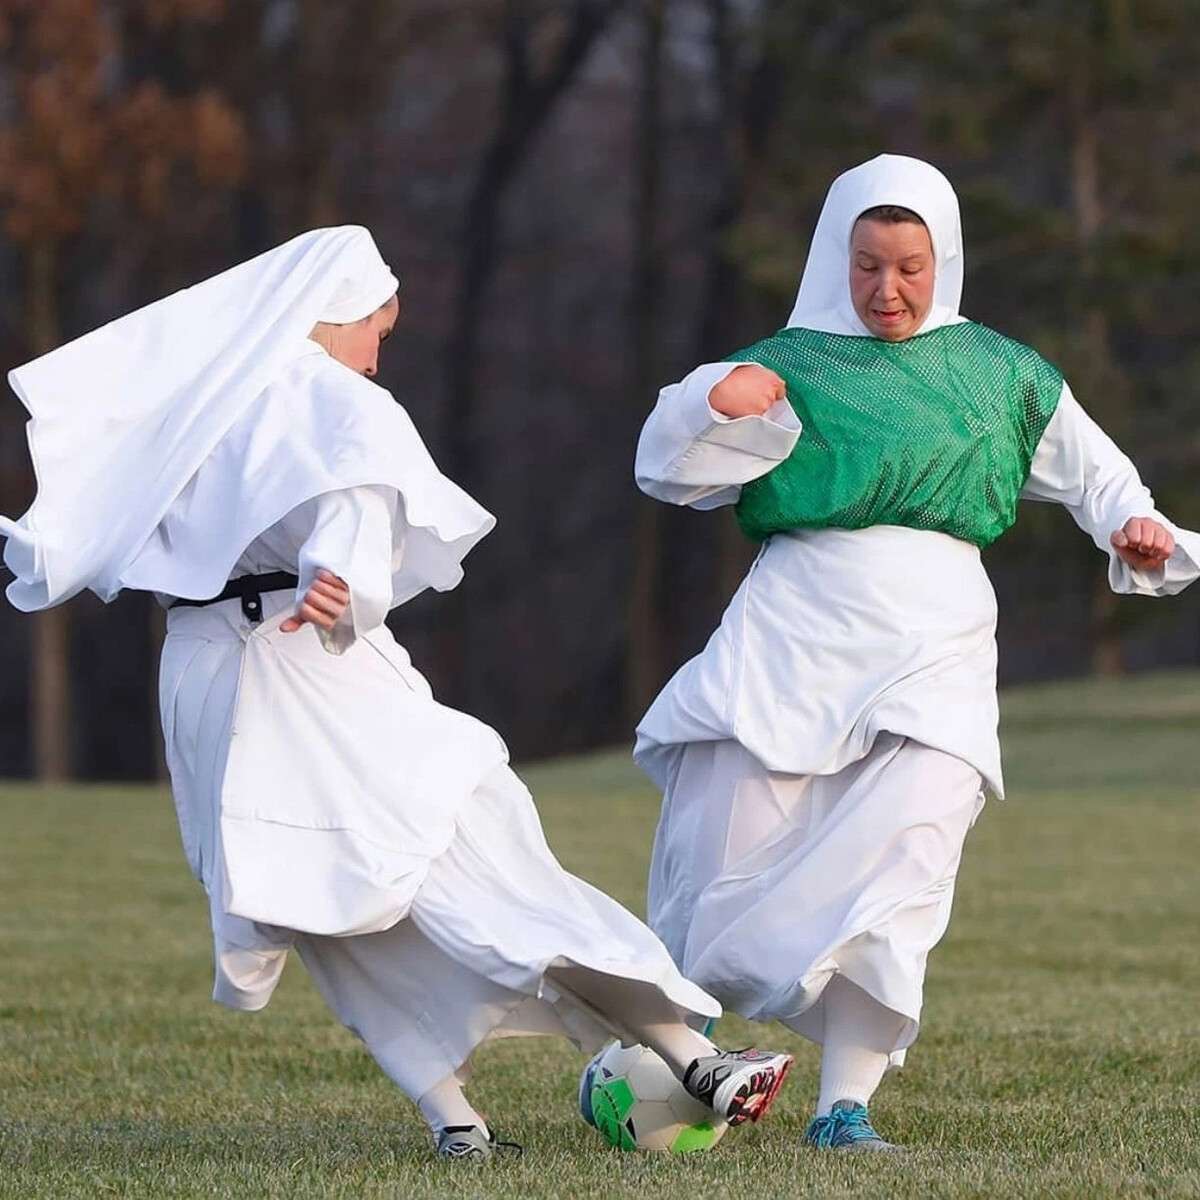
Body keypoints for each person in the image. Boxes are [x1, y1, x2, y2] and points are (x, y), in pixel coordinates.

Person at [0, 226, 793, 1160]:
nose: (380, 353)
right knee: (481, 862)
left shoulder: (200, 396)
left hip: (207, 672)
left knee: (328, 913)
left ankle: (459, 1123)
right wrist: (340, 584)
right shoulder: (333, 398)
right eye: (380, 327)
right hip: (310, 671)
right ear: (336, 315)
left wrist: (334, 582)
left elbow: (110, 520)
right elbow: (354, 505)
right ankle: (691, 1062)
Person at [632, 154, 1200, 1151]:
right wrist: (711, 400)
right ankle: (683, 1058)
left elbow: (1102, 480)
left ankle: (842, 1107)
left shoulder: (1004, 375)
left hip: (935, 645)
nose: (886, 290)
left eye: (908, 267)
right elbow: (669, 464)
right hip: (792, 634)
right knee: (726, 840)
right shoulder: (786, 364)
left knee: (906, 858)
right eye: (865, 267)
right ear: (834, 258)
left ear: (945, 259)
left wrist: (1138, 526)